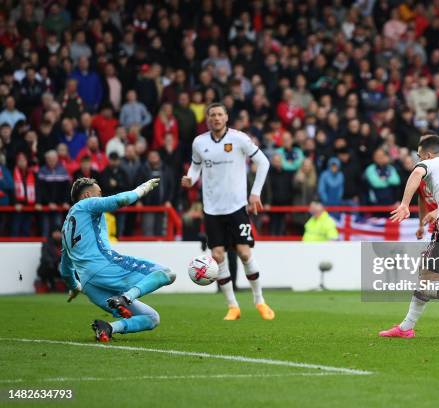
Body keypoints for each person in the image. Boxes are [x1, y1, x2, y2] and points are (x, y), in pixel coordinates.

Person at [379, 134, 439, 339]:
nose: (418, 160)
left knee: (427, 273)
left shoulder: (430, 164)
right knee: (430, 273)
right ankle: (406, 327)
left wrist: (404, 204)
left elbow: (416, 174)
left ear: (428, 155)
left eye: (419, 156)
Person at [182, 103, 273, 321]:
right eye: (212, 115)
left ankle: (259, 300)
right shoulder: (199, 142)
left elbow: (263, 162)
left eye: (220, 114)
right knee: (217, 256)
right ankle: (233, 306)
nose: (216, 118)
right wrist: (190, 178)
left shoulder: (239, 138)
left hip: (237, 207)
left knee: (244, 253)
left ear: (226, 117)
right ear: (207, 119)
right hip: (212, 209)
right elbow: (195, 167)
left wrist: (255, 193)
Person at [60, 177, 175, 342]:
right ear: (86, 195)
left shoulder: (65, 229)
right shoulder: (86, 205)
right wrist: (143, 188)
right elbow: (122, 200)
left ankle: (109, 327)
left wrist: (75, 287)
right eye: (98, 194)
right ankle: (126, 297)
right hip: (105, 266)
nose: (101, 197)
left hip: (90, 285)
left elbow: (65, 269)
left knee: (151, 318)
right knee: (167, 273)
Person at [37, 226, 64, 291]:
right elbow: (45, 257)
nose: (57, 234)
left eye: (59, 232)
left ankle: (70, 287)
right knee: (49, 265)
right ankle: (52, 286)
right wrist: (56, 262)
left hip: (61, 267)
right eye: (55, 232)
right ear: (52, 234)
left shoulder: (65, 244)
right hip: (50, 267)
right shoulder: (47, 244)